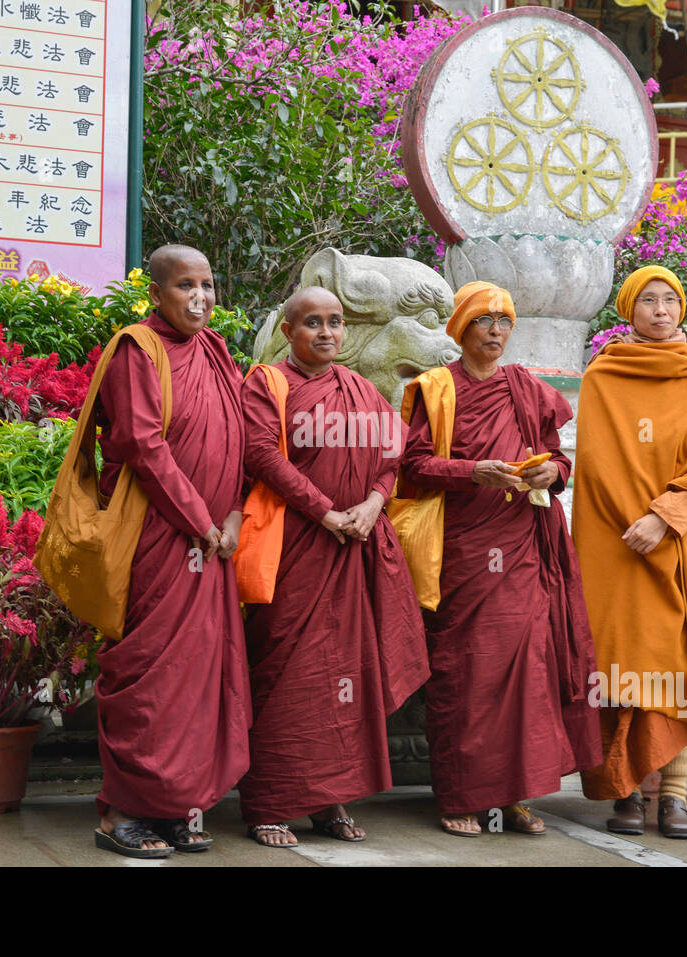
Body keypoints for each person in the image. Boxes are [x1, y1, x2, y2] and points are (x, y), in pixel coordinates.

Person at [398, 281, 601, 838]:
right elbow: (412, 465)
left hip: (522, 547)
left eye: (503, 322)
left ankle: (511, 797)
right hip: (463, 550)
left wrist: (551, 473)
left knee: (526, 673)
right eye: (484, 321)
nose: (495, 331)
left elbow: (559, 457)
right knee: (465, 670)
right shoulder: (437, 389)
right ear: (461, 329)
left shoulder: (525, 389)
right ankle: (462, 797)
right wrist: (473, 471)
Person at [237, 286, 430, 847]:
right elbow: (262, 455)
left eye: (335, 322)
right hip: (297, 544)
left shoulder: (362, 390)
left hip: (357, 544)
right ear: (288, 333)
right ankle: (270, 802)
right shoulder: (268, 383)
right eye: (312, 323)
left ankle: (328, 801)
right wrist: (324, 512)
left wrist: (372, 505)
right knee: (287, 671)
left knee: (345, 673)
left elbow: (392, 461)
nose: (326, 333)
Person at [572, 265, 687, 839]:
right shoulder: (604, 376)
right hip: (620, 546)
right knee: (622, 663)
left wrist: (667, 516)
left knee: (684, 663)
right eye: (647, 300)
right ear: (629, 311)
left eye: (669, 300)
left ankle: (674, 796)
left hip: (686, 544)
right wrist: (639, 524)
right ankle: (625, 791)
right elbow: (599, 468)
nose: (660, 310)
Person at [90, 244, 251, 858]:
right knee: (149, 671)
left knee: (198, 675)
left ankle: (177, 807)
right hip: (158, 537)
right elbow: (141, 443)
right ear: (156, 292)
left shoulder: (214, 350)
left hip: (212, 542)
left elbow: (237, 439)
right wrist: (200, 521)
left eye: (208, 285)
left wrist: (233, 515)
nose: (201, 298)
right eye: (187, 285)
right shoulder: (138, 348)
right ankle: (124, 813)